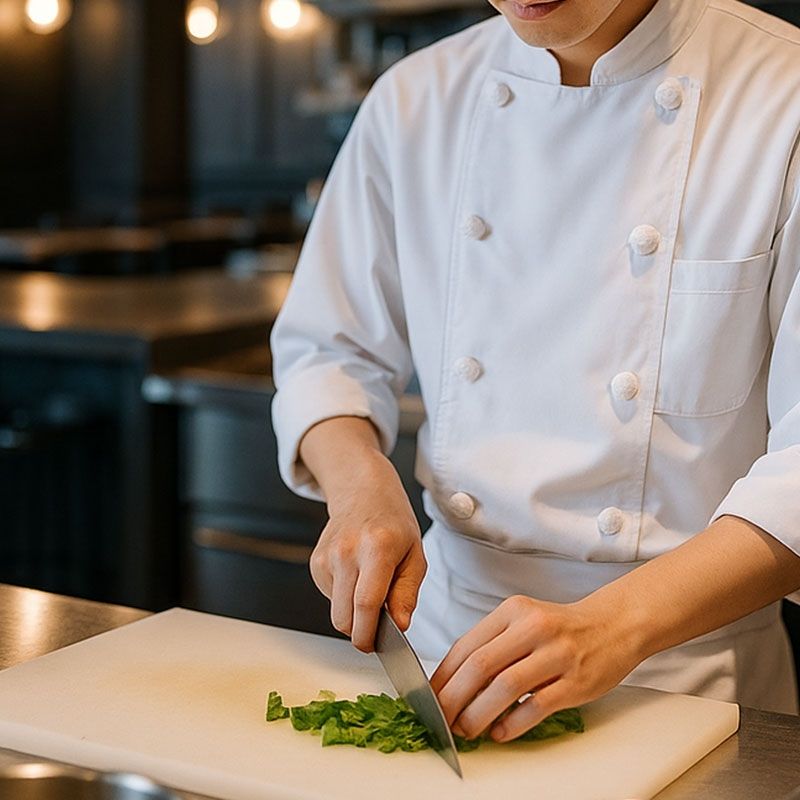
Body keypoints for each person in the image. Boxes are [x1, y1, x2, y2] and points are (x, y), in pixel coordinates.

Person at [270, 0, 800, 741]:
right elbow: (328, 351)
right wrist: (360, 487)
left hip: (690, 684)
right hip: (444, 659)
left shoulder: (783, 93)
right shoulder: (415, 100)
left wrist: (615, 626)